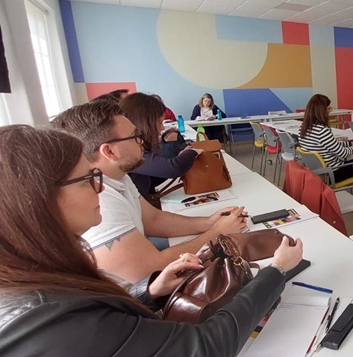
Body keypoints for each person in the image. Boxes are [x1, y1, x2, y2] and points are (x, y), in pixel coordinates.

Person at [0, 125, 303, 356]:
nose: (100, 189)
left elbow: (105, 323)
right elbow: (205, 347)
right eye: (86, 179)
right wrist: (276, 271)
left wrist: (150, 291)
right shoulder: (52, 321)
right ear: (39, 199)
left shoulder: (38, 282)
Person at [51, 101, 247, 283]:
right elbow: (149, 269)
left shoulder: (117, 175)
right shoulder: (101, 200)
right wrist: (218, 233)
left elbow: (152, 219)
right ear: (109, 152)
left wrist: (207, 222)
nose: (142, 142)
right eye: (136, 136)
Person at [298, 94, 353, 219]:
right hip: (332, 174)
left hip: (317, 173)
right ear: (321, 111)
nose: (329, 112)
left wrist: (349, 143)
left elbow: (330, 145)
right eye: (328, 109)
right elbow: (342, 153)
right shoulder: (323, 130)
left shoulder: (303, 129)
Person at [119, 93, 201, 199]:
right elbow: (173, 168)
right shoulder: (130, 151)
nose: (162, 128)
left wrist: (181, 157)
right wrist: (193, 152)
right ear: (145, 123)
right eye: (159, 122)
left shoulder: (137, 145)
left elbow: (153, 176)